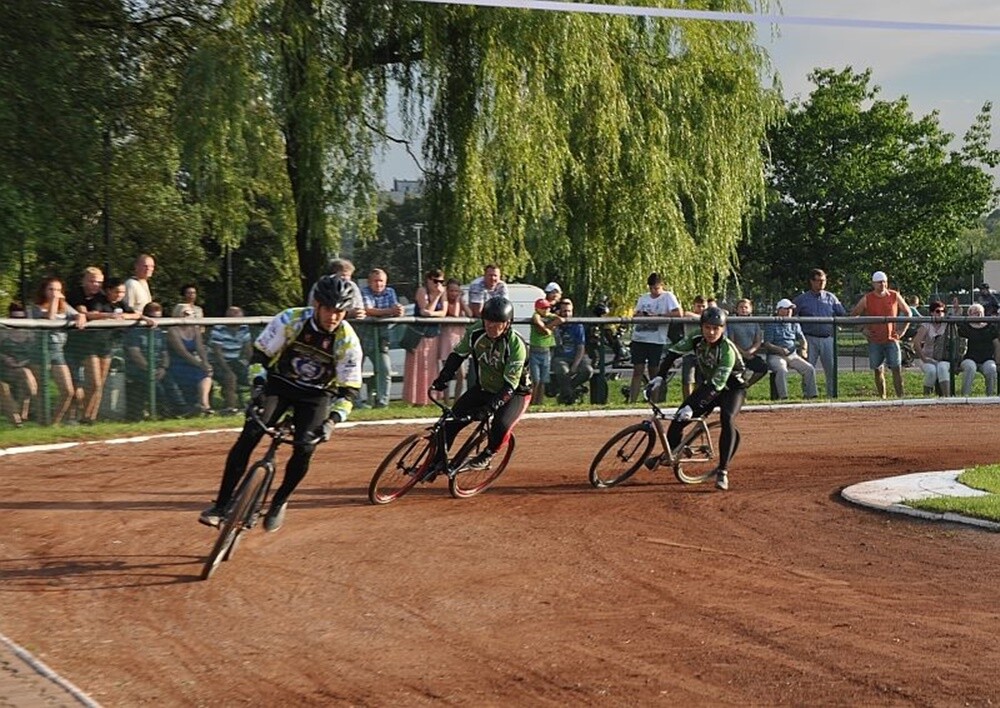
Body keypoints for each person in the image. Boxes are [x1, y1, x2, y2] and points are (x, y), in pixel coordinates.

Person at [199, 275, 363, 532]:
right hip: (279, 384)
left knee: (305, 448)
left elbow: (349, 392)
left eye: (340, 311)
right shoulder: (291, 320)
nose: (333, 317)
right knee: (250, 434)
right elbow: (259, 356)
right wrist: (258, 387)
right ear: (317, 305)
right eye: (329, 309)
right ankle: (220, 506)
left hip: (316, 395)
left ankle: (279, 500)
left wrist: (333, 421)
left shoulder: (348, 342)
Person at [645, 306, 748, 491]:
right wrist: (660, 376)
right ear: (701, 327)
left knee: (727, 418)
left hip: (731, 389)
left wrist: (693, 407)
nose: (711, 332)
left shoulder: (727, 350)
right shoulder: (696, 338)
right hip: (709, 386)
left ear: (723, 329)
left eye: (716, 328)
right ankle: (672, 454)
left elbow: (717, 385)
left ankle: (722, 471)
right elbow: (673, 353)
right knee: (678, 420)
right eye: (707, 327)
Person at [429, 296, 531, 471]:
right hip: (485, 387)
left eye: (497, 323)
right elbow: (458, 355)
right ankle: (436, 463)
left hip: (514, 393)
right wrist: (444, 377)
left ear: (507, 323)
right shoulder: (476, 331)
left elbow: (509, 386)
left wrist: (489, 409)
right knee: (450, 423)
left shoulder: (516, 345)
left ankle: (488, 453)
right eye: (487, 321)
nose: (490, 326)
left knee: (501, 425)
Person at [28, 277, 86, 425]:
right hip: (40, 351)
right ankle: (42, 423)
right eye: (51, 289)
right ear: (44, 291)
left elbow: (77, 314)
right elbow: (51, 318)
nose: (55, 293)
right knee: (42, 391)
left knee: (68, 391)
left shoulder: (64, 305)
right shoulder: (35, 307)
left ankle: (54, 422)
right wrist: (54, 300)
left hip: (57, 351)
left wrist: (80, 316)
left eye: (58, 290)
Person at [850, 270, 909, 399]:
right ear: (873, 284)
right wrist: (863, 329)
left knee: (896, 368)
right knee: (877, 369)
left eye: (884, 282)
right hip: (875, 339)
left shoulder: (894, 296)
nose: (882, 284)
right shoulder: (867, 298)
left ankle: (901, 397)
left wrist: (902, 331)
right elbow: (854, 315)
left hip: (892, 339)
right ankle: (882, 397)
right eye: (879, 282)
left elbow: (908, 312)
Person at [124, 302, 185, 420]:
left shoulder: (159, 332)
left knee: (172, 386)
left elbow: (164, 353)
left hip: (158, 368)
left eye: (159, 317)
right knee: (157, 388)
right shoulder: (135, 331)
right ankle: (163, 414)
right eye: (154, 317)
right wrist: (150, 369)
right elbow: (135, 354)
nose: (157, 321)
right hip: (140, 370)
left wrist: (163, 368)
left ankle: (180, 411)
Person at [793, 268, 847, 397]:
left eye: (824, 280)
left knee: (831, 369)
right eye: (818, 281)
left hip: (828, 338)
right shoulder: (801, 299)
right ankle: (810, 395)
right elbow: (792, 316)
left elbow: (842, 314)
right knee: (808, 369)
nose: (821, 283)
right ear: (811, 281)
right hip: (809, 338)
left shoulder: (831, 298)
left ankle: (832, 395)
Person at [628, 273, 681, 403]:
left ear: (662, 286)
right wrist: (643, 316)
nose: (653, 291)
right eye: (651, 288)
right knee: (638, 370)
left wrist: (658, 316)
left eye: (656, 288)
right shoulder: (643, 298)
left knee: (654, 371)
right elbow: (636, 314)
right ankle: (632, 401)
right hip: (640, 338)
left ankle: (654, 401)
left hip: (656, 340)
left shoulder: (668, 296)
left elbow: (678, 313)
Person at [359, 268, 404, 408]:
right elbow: (368, 309)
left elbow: (395, 309)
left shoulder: (390, 292)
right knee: (355, 371)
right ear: (369, 282)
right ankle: (355, 401)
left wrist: (398, 311)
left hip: (382, 338)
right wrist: (390, 311)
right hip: (363, 337)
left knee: (385, 369)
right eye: (375, 281)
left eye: (381, 281)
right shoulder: (364, 291)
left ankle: (382, 402)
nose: (379, 284)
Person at [403, 269, 447, 405]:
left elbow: (443, 313)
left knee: (431, 368)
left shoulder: (442, 293)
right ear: (428, 280)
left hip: (433, 336)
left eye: (441, 281)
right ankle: (415, 400)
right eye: (435, 281)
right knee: (417, 368)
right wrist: (435, 299)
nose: (438, 284)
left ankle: (430, 398)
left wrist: (434, 307)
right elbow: (423, 311)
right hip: (419, 336)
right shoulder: (422, 291)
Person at [762, 299, 818, 400]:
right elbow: (767, 344)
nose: (789, 311)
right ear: (779, 310)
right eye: (786, 309)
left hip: (792, 355)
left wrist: (804, 349)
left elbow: (802, 339)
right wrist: (779, 349)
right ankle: (783, 397)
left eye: (791, 309)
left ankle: (810, 395)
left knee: (809, 369)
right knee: (782, 370)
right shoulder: (771, 323)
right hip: (776, 355)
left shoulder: (794, 323)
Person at [167, 303, 214, 415]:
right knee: (199, 371)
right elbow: (182, 352)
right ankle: (195, 407)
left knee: (206, 375)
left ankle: (204, 405)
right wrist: (199, 364)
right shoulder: (173, 330)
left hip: (194, 362)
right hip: (177, 362)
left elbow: (200, 348)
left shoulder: (195, 328)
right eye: (185, 313)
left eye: (191, 313)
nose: (189, 315)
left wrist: (205, 363)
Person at [209, 306, 253, 413]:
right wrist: (227, 370)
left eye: (238, 314)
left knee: (255, 377)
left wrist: (251, 365)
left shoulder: (244, 328)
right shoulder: (218, 328)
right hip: (216, 361)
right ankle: (230, 408)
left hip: (234, 360)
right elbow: (217, 352)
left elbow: (248, 349)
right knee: (230, 377)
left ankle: (253, 406)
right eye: (233, 315)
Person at [0, 302, 37, 427]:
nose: (18, 321)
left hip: (24, 367)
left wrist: (24, 362)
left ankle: (22, 416)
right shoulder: (3, 332)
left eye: (21, 318)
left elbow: (35, 352)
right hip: (3, 368)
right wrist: (4, 358)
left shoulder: (30, 334)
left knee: (27, 382)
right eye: (15, 318)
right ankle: (17, 422)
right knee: (3, 388)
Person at [551, 298, 592, 404]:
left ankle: (566, 392)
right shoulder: (554, 324)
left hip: (576, 356)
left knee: (588, 370)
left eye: (569, 311)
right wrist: (555, 326)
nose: (567, 314)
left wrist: (575, 365)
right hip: (560, 357)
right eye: (564, 311)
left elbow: (580, 347)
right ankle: (569, 398)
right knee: (563, 371)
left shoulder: (577, 325)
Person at [438, 278, 472, 404]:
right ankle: (446, 401)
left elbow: (469, 313)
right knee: (446, 373)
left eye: (456, 291)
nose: (454, 293)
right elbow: (455, 314)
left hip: (459, 339)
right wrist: (457, 301)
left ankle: (457, 400)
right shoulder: (445, 302)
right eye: (451, 291)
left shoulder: (460, 302)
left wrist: (462, 301)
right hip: (446, 340)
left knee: (461, 374)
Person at [911, 300, 952, 396]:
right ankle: (927, 397)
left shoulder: (947, 324)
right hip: (928, 358)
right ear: (932, 312)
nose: (941, 314)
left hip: (943, 358)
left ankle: (947, 397)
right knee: (931, 371)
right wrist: (924, 359)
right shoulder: (926, 325)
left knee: (942, 368)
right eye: (938, 311)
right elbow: (916, 342)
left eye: (943, 311)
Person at [957, 302, 999, 397]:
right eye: (975, 312)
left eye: (980, 312)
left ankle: (990, 396)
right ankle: (965, 396)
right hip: (969, 359)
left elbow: (997, 345)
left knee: (991, 369)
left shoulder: (990, 327)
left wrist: (998, 362)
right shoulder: (964, 327)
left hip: (987, 359)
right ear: (969, 314)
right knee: (970, 368)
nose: (978, 314)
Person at [528, 297, 563, 405]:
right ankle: (532, 402)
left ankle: (539, 402)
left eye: (547, 307)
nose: (546, 310)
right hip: (535, 351)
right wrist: (546, 329)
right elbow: (537, 321)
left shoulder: (549, 316)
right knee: (536, 380)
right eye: (543, 308)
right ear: (537, 308)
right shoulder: (536, 315)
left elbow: (561, 319)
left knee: (543, 380)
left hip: (546, 351)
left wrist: (548, 327)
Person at [725, 298, 768, 384]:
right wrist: (743, 353)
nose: (743, 309)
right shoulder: (731, 322)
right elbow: (731, 341)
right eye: (741, 307)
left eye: (746, 307)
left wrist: (750, 352)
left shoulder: (755, 322)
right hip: (736, 355)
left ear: (751, 309)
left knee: (763, 367)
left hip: (751, 354)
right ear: (736, 309)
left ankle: (746, 385)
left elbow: (758, 341)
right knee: (735, 373)